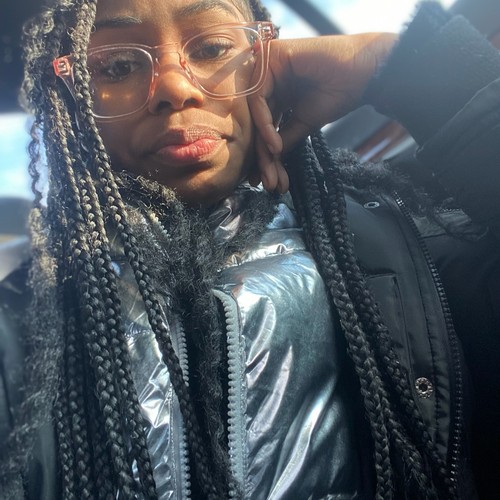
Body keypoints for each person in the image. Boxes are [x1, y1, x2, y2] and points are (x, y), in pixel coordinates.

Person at [1, 0, 500, 498]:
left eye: (213, 48)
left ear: (264, 60)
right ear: (71, 102)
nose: (175, 88)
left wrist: (408, 67)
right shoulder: (18, 338)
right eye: (116, 66)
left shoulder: (415, 249)